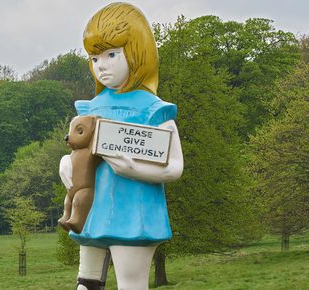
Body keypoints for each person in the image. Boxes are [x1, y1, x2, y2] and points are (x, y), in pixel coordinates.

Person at [58, 3, 184, 290]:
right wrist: (66, 164)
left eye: (111, 55)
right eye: (94, 58)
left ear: (138, 51)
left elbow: (175, 167)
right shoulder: (92, 107)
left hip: (135, 214)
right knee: (86, 282)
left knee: (131, 284)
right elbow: (79, 150)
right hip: (92, 209)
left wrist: (135, 169)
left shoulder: (153, 109)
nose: (102, 65)